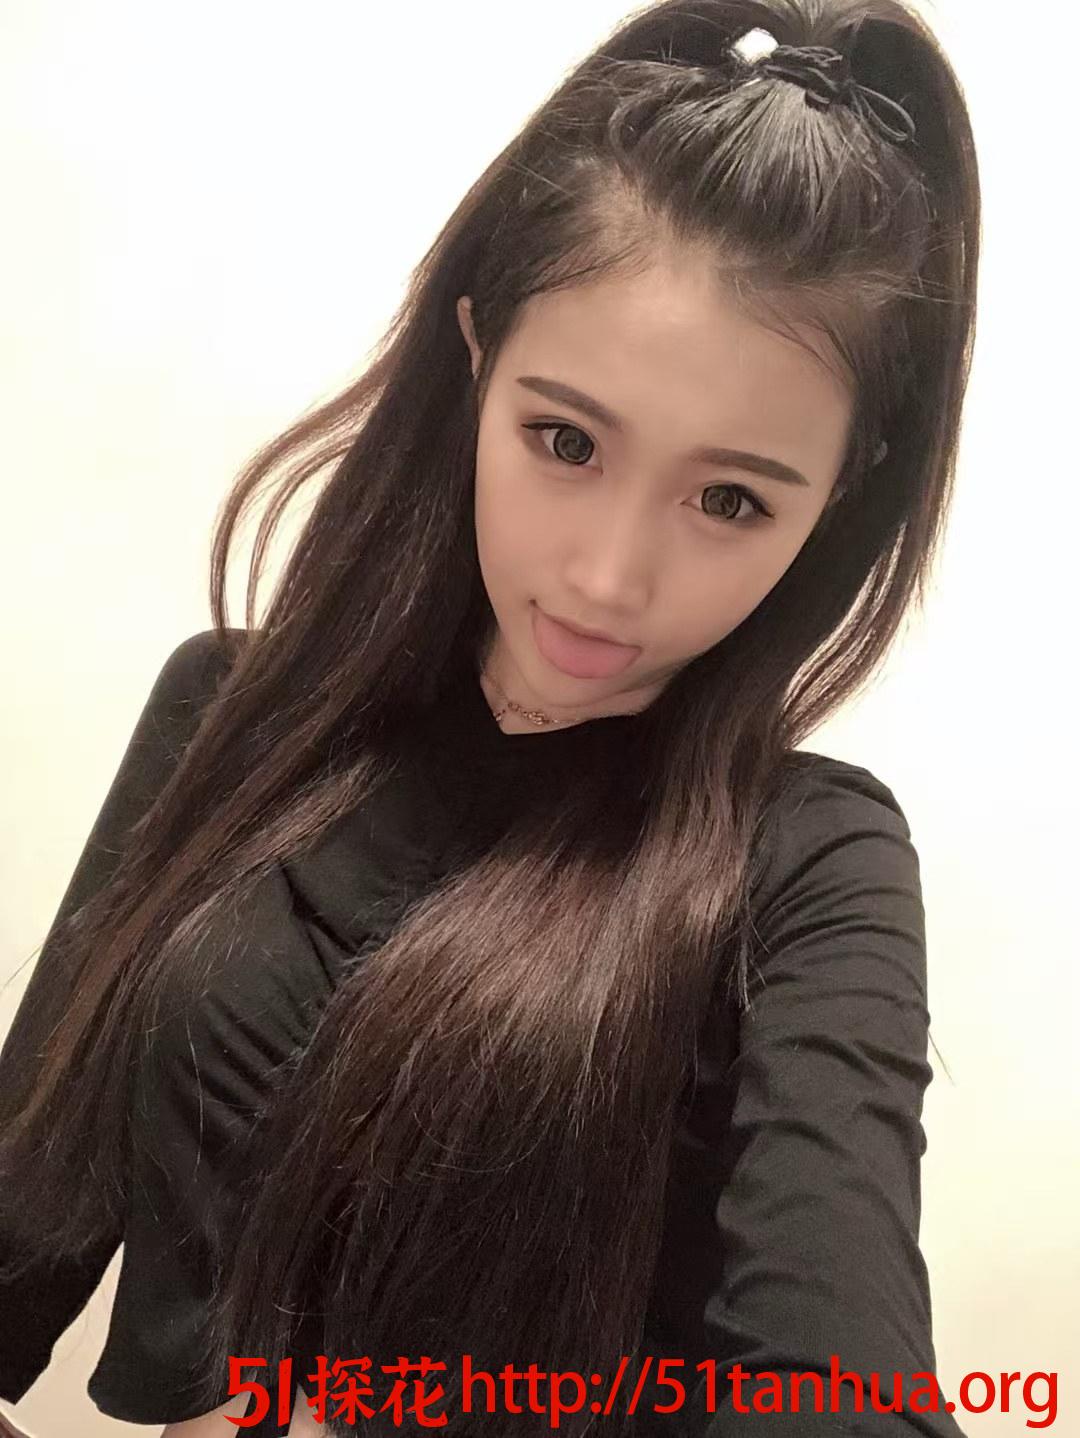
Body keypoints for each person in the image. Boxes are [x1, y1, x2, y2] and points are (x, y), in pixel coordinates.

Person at [0, 0, 981, 1434]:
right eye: (564, 439)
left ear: (838, 494)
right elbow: (27, 1209)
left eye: (730, 499)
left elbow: (841, 1369)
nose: (606, 577)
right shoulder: (228, 713)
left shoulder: (811, 868)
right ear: (477, 356)